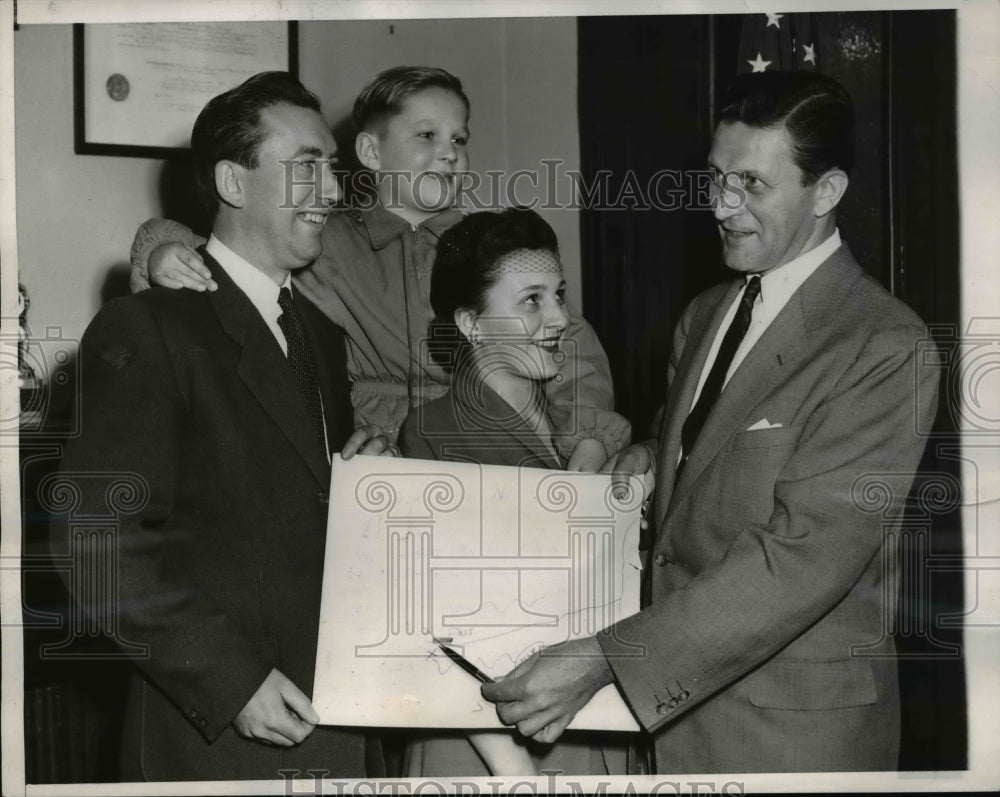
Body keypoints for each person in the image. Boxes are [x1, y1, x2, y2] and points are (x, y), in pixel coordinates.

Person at [479, 71, 940, 773]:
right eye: (715, 178)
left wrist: (610, 655)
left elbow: (800, 561)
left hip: (791, 741)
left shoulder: (883, 344)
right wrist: (642, 460)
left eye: (751, 185)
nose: (721, 206)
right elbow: (698, 457)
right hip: (672, 730)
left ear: (828, 191)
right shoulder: (705, 315)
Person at [49, 72, 390, 781]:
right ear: (233, 183)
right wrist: (232, 681)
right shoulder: (149, 327)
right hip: (218, 735)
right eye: (307, 167)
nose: (331, 189)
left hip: (338, 722)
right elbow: (96, 540)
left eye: (331, 166)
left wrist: (361, 483)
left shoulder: (321, 333)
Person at [129, 66, 624, 468]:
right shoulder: (323, 237)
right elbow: (235, 249)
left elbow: (570, 345)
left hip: (478, 447)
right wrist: (161, 250)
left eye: (460, 138)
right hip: (371, 455)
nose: (449, 152)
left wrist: (589, 438)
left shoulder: (489, 247)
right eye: (427, 135)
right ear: (370, 152)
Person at [398, 208, 631, 777]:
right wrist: (518, 777)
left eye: (559, 294)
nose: (560, 316)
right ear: (472, 323)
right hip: (493, 750)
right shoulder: (438, 431)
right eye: (531, 300)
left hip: (592, 730)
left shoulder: (576, 424)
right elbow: (438, 630)